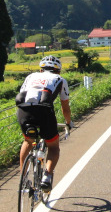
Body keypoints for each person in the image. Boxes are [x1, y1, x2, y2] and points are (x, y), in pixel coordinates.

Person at [16, 55, 72, 192]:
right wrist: (68, 123)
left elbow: (22, 94)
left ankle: (23, 178)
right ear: (58, 71)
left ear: (41, 70)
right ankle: (46, 177)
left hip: (23, 111)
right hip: (44, 112)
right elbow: (65, 107)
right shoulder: (60, 79)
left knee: (28, 141)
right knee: (53, 147)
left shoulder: (30, 77)